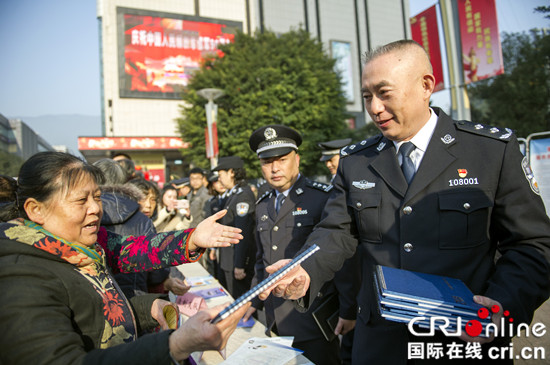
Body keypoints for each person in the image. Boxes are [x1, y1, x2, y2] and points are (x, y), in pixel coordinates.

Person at [259, 40, 550, 364]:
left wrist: (503, 304)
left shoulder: (490, 152)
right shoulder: (356, 161)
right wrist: (306, 269)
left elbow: (533, 245)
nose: (374, 107)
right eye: (367, 96)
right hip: (380, 345)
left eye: (384, 93)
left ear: (426, 85)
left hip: (464, 342)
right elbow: (336, 232)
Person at [0, 151, 248, 364]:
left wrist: (146, 306)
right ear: (36, 209)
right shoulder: (19, 275)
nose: (95, 208)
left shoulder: (83, 245)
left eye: (96, 197)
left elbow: (131, 251)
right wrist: (175, 345)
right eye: (81, 200)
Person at [244, 125, 359, 365]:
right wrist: (253, 300)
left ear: (297, 159)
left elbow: (343, 259)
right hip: (275, 316)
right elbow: (262, 259)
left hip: (311, 316)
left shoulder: (322, 198)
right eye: (267, 162)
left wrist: (349, 310)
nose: (275, 168)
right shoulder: (263, 204)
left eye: (282, 159)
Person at [93, 159, 188, 299]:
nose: (149, 205)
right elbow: (155, 268)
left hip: (97, 302)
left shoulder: (83, 215)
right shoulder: (141, 220)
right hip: (138, 299)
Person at [212, 156, 257, 298]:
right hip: (228, 260)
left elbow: (242, 233)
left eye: (220, 175)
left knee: (239, 305)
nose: (219, 179)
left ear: (231, 172)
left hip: (235, 261)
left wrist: (240, 264)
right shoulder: (233, 195)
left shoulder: (242, 196)